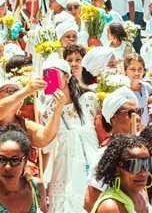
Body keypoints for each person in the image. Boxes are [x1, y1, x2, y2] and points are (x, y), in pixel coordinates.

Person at [0, 80, 64, 195]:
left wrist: (58, 109)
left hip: (10, 197)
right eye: (10, 91)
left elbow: (45, 138)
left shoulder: (25, 125)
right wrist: (25, 91)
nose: (15, 94)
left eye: (17, 92)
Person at [40, 55, 99, 213]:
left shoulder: (89, 100)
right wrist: (40, 184)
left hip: (92, 166)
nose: (48, 79)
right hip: (64, 171)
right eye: (45, 75)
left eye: (52, 74)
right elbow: (46, 148)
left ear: (66, 76)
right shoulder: (46, 110)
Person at [0, 127, 46, 213]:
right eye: (2, 159)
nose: (8, 167)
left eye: (15, 160)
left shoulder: (36, 188)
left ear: (25, 161)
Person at [90, 134, 152, 213]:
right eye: (135, 165)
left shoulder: (141, 194)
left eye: (147, 163)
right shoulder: (110, 207)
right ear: (117, 169)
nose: (143, 173)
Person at [124, 54, 152, 126]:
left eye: (140, 69)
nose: (137, 73)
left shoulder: (146, 87)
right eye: (133, 69)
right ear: (125, 71)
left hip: (145, 131)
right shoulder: (123, 91)